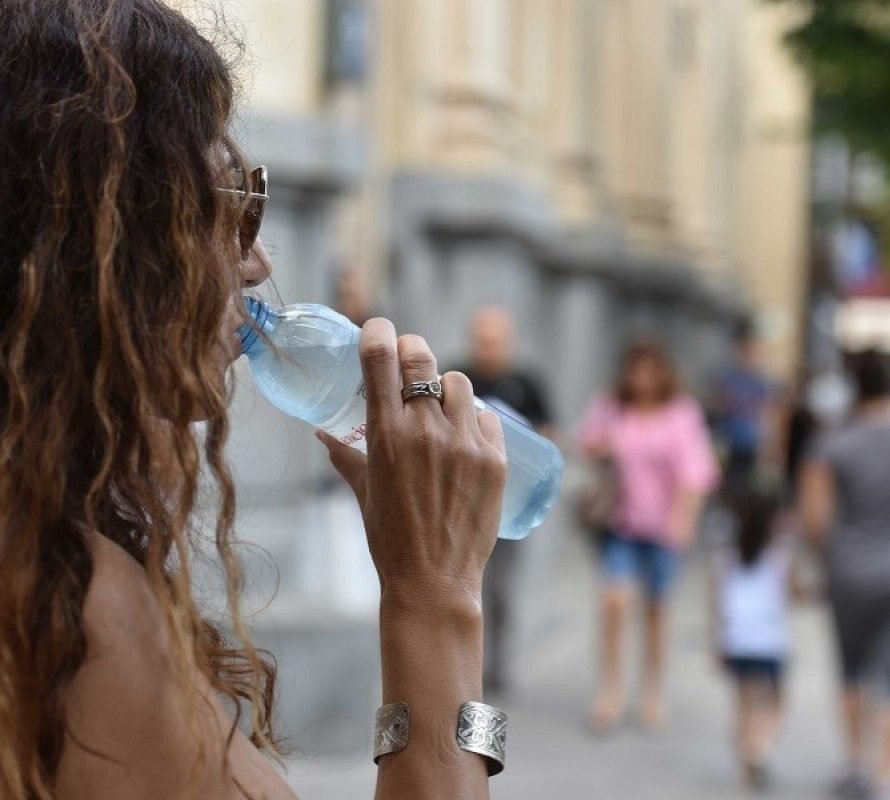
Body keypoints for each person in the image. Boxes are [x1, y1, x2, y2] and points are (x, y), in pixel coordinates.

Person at [0, 3, 508, 799]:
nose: (259, 262)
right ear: (93, 239)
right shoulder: (77, 613)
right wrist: (434, 595)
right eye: (230, 203)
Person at [579, 342, 718, 731]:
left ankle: (652, 692)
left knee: (657, 611)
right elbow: (587, 444)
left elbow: (696, 471)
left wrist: (684, 521)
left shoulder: (681, 412)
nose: (640, 378)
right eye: (634, 370)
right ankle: (610, 690)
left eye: (648, 370)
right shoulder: (611, 406)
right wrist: (601, 447)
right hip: (621, 523)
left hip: (664, 526)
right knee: (615, 602)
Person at [799, 349, 890, 800]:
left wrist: (822, 559)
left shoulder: (834, 444)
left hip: (850, 569)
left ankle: (856, 763)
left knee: (852, 669)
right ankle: (885, 771)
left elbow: (816, 520)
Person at [452, 306, 553, 693]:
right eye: (482, 340)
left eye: (495, 341)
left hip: (507, 506)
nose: (488, 348)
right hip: (464, 502)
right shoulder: (457, 377)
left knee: (502, 590)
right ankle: (465, 666)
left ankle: (500, 664)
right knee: (462, 587)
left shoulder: (526, 383)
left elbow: (546, 435)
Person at [711, 483, 794, 789]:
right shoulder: (780, 556)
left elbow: (718, 605)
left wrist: (717, 641)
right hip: (770, 642)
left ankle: (746, 756)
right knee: (775, 702)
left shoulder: (726, 558)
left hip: (737, 640)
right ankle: (759, 746)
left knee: (742, 704)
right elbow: (790, 594)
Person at [712, 323, 776, 493]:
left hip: (751, 440)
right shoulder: (729, 377)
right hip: (730, 439)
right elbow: (721, 405)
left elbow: (766, 411)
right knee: (728, 482)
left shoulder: (760, 380)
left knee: (748, 486)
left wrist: (768, 442)